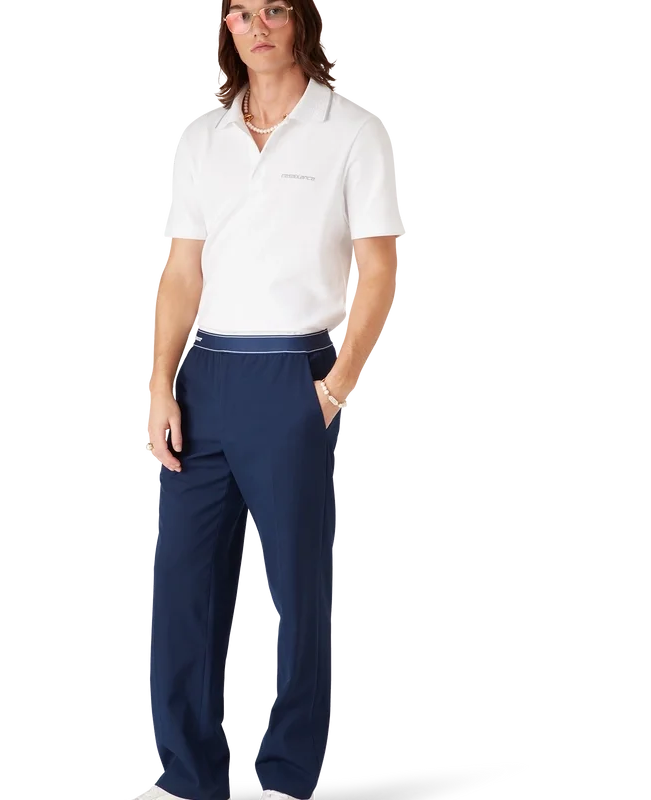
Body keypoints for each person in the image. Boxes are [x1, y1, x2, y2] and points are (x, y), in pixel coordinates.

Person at [139, 1, 400, 798]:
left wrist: (334, 388)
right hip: (204, 376)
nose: (257, 27)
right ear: (227, 29)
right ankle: (188, 776)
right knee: (183, 588)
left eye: (274, 11)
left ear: (302, 24)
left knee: (295, 586)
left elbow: (378, 268)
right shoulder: (201, 136)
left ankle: (287, 774)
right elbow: (181, 272)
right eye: (241, 14)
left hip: (294, 373)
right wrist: (159, 386)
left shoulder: (352, 128)